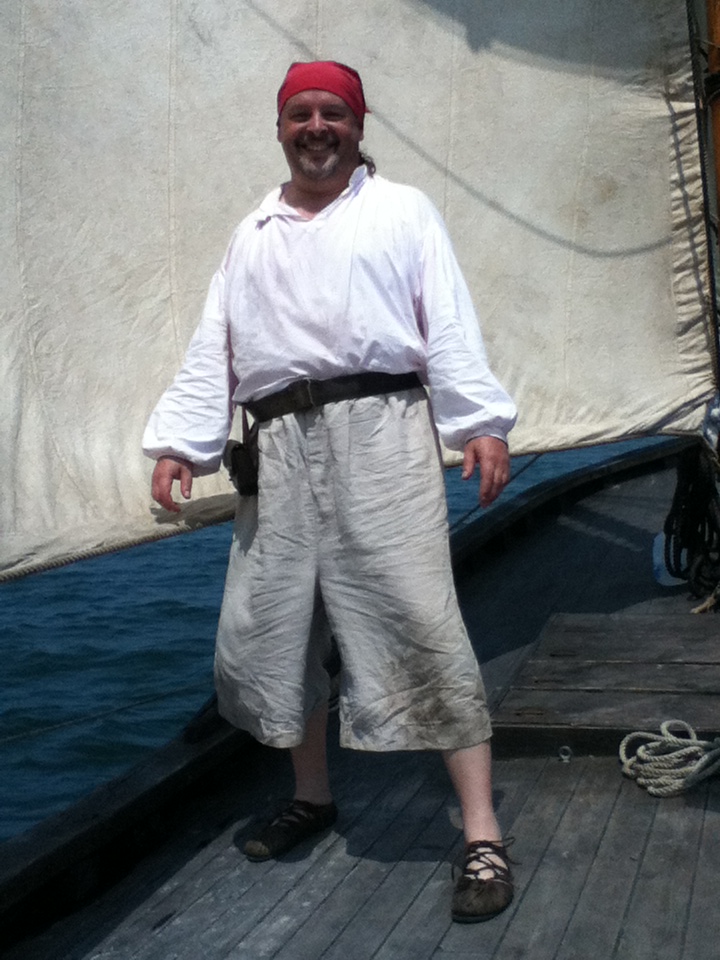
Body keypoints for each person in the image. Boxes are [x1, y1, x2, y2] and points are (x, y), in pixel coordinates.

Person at [143, 60, 517, 923]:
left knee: (420, 620)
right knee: (276, 628)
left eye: (334, 114)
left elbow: (447, 321)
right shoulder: (253, 232)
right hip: (275, 445)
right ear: (280, 127)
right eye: (301, 114)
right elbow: (214, 345)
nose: (317, 127)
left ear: (358, 124)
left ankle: (482, 832)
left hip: (380, 433)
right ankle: (312, 796)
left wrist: (480, 423)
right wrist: (180, 443)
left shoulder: (402, 211)